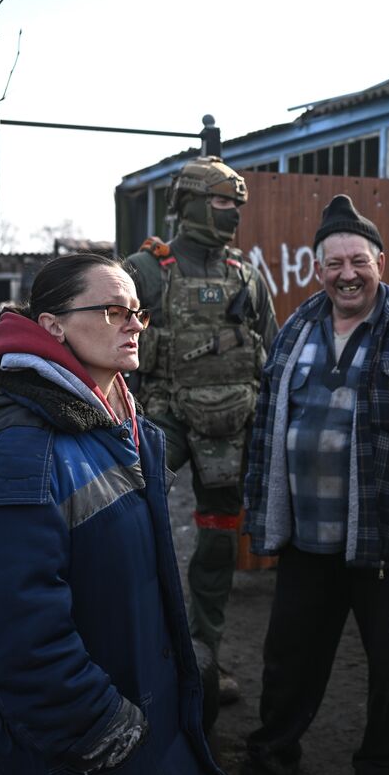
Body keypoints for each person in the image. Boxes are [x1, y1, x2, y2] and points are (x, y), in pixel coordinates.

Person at [207, 195, 389, 775]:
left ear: (380, 260)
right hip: (306, 537)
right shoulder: (296, 326)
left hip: (387, 539)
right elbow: (267, 424)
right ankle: (270, 764)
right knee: (287, 659)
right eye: (332, 264)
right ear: (316, 270)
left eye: (357, 260)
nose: (346, 274)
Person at [0, 253, 219, 775]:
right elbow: (11, 631)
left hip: (131, 747)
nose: (135, 324)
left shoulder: (121, 422)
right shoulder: (23, 449)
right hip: (69, 767)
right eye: (114, 310)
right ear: (53, 326)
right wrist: (99, 728)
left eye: (138, 311)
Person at [124, 155, 277, 717]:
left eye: (237, 203)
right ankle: (142, 654)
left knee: (215, 545)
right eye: (220, 201)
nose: (232, 212)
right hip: (161, 418)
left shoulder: (246, 276)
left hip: (231, 427)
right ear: (188, 203)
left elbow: (272, 353)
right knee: (135, 531)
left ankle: (205, 653)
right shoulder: (144, 271)